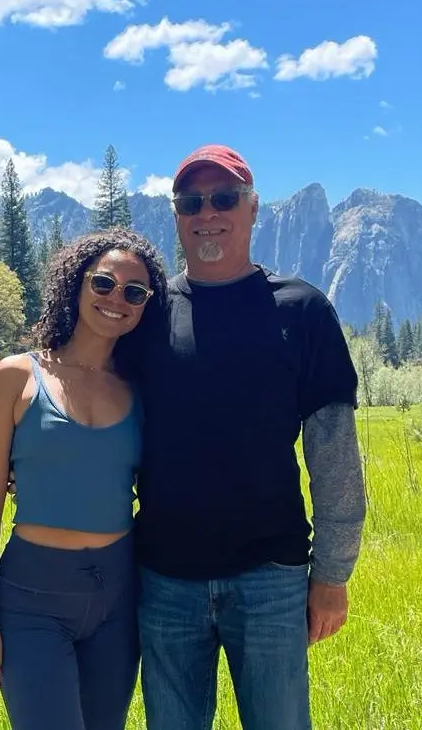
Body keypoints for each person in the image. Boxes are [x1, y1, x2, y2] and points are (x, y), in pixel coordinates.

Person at [132, 144, 367, 730]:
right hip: (164, 579)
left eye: (224, 198)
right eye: (192, 201)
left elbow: (333, 457)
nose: (207, 212)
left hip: (272, 578)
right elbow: (91, 404)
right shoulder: (146, 314)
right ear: (177, 215)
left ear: (253, 207)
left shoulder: (304, 311)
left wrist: (333, 575)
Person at [0, 229, 169, 730]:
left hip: (118, 597)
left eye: (134, 292)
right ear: (76, 285)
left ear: (145, 307)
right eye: (103, 283)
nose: (116, 299)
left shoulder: (142, 390)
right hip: (32, 597)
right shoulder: (16, 377)